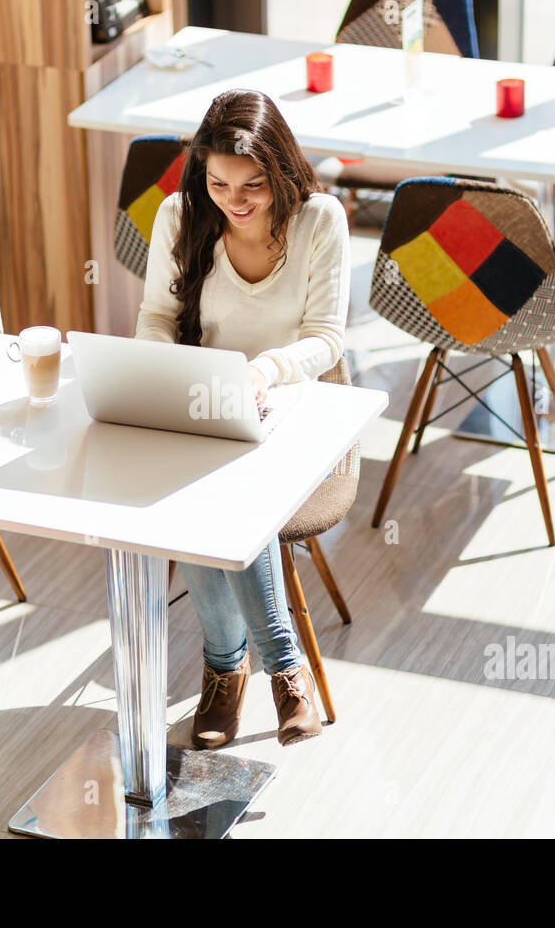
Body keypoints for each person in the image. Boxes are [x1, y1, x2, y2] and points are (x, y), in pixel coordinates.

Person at [136, 89, 351, 748]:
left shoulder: (321, 221)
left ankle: (243, 668)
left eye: (254, 184)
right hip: (206, 400)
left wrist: (264, 372)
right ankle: (267, 671)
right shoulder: (181, 216)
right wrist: (164, 374)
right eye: (219, 181)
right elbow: (154, 320)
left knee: (224, 485)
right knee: (205, 473)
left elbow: (327, 339)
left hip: (296, 401)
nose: (235, 199)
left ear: (282, 170)